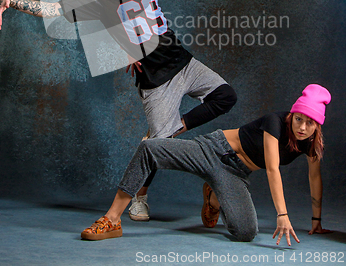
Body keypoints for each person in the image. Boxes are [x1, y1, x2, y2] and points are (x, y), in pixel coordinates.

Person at [0, 0, 237, 221]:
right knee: (156, 147)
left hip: (182, 62)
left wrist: (128, 47)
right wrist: (13, 2)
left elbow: (138, 21)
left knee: (226, 96)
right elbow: (56, 9)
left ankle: (174, 127)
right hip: (155, 80)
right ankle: (140, 196)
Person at [80, 84, 332, 246]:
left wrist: (316, 220)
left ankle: (213, 195)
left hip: (235, 174)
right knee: (149, 148)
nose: (301, 127)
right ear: (292, 115)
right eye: (299, 119)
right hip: (213, 149)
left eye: (309, 123)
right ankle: (112, 219)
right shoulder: (275, 122)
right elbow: (273, 168)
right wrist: (283, 215)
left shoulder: (310, 145)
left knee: (246, 232)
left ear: (317, 126)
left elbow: (314, 178)